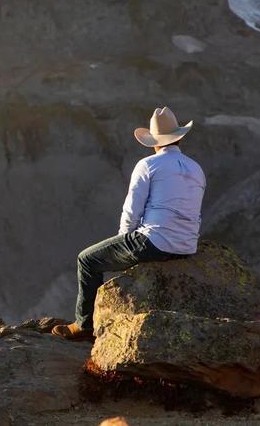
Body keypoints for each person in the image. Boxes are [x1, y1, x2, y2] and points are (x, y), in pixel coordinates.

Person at [52, 107, 206, 340]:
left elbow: (132, 210)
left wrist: (124, 240)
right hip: (186, 247)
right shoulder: (196, 169)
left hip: (154, 242)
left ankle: (83, 325)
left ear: (154, 142)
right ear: (179, 137)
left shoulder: (149, 165)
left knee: (87, 260)